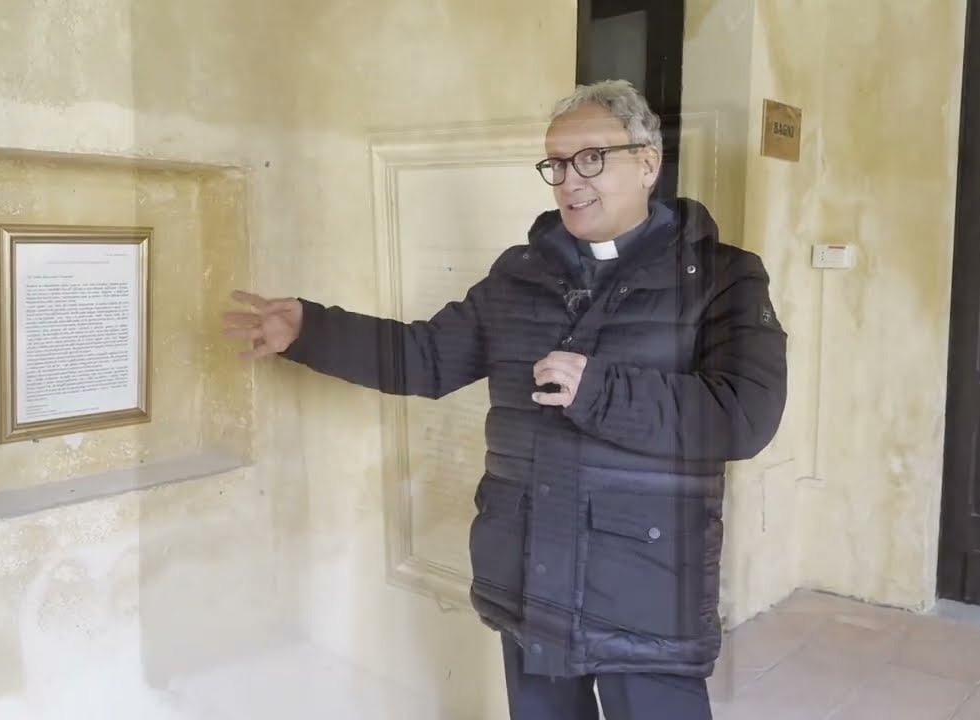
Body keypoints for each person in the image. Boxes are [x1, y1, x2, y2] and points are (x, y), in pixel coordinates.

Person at [223, 79, 787, 720]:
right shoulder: (521, 274)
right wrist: (312, 331)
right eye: (556, 164)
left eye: (592, 159)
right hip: (532, 573)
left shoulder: (723, 277)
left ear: (648, 162)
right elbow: (428, 357)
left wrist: (600, 389)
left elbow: (743, 416)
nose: (570, 181)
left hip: (647, 590)